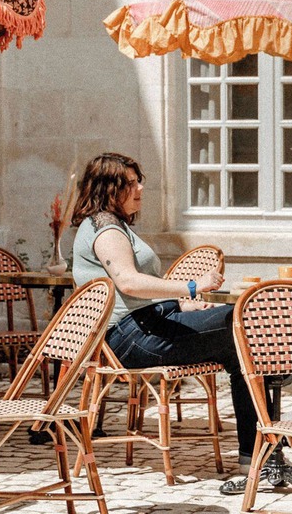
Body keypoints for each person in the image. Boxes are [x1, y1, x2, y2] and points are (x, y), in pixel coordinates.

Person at [69, 152, 257, 481]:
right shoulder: (106, 228)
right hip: (132, 338)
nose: (140, 188)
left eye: (138, 180)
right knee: (241, 321)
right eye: (130, 183)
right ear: (109, 189)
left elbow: (134, 297)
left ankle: (253, 455)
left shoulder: (113, 226)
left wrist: (184, 307)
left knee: (239, 345)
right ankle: (281, 375)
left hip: (144, 327)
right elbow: (128, 282)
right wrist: (191, 287)